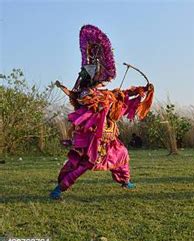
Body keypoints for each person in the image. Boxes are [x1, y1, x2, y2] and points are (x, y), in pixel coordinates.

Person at [50, 24, 154, 200]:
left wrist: (143, 89)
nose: (104, 82)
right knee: (82, 164)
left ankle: (125, 181)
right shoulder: (86, 93)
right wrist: (105, 103)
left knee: (121, 154)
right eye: (101, 79)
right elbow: (91, 103)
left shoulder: (103, 94)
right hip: (92, 139)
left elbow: (122, 95)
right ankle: (59, 189)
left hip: (108, 136)